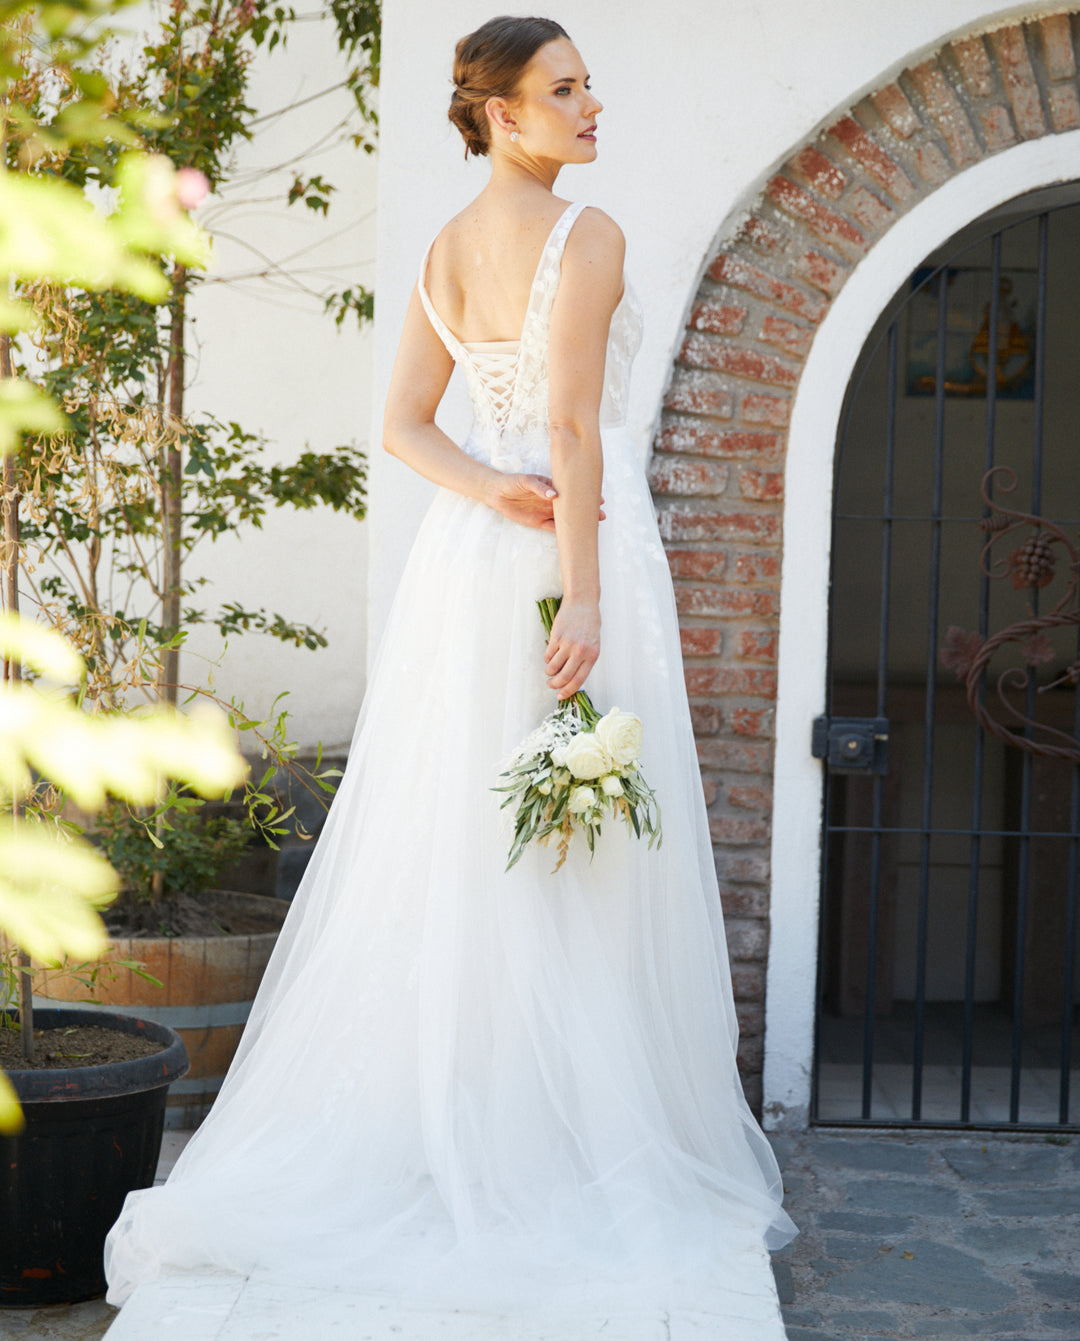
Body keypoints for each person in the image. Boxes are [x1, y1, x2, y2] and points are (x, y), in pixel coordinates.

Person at [104, 14, 798, 1321]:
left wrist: (489, 490)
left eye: (590, 85)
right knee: (572, 849)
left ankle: (475, 1123)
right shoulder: (589, 237)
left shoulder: (442, 249)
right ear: (501, 112)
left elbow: (406, 428)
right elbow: (577, 431)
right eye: (565, 89)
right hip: (573, 554)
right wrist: (583, 591)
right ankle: (555, 1145)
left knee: (471, 847)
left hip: (470, 564)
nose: (593, 106)